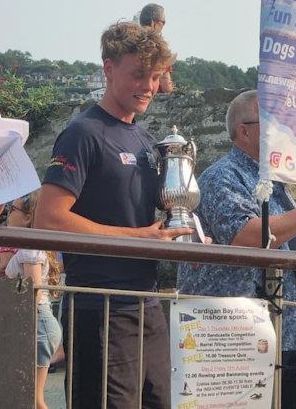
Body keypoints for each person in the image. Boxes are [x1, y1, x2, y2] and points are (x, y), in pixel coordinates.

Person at [34, 21, 191, 408]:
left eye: (155, 76)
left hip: (146, 300)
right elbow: (48, 218)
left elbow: (161, 212)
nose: (149, 86)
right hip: (98, 304)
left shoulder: (142, 136)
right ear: (108, 68)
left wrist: (190, 233)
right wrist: (141, 238)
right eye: (139, 74)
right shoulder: (83, 133)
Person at [177, 89, 296, 409]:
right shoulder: (222, 176)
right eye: (273, 123)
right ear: (244, 131)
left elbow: (281, 230)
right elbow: (247, 236)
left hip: (285, 326)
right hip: (235, 333)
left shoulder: (272, 177)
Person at [5, 190, 62, 409]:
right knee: (32, 398)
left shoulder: (30, 247)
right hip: (39, 322)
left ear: (28, 217)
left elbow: (34, 290)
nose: (9, 213)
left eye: (14, 209)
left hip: (38, 322)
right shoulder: (29, 246)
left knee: (34, 400)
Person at [139, 3, 174, 94]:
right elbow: (166, 87)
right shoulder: (159, 48)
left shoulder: (128, 44)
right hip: (149, 99)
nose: (163, 26)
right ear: (154, 23)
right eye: (163, 22)